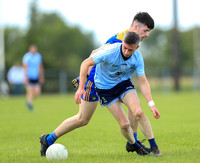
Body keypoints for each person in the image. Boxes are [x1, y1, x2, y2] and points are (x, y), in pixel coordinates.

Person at [39, 12, 162, 157]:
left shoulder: (130, 41)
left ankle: (133, 143)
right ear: (136, 27)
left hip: (118, 82)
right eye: (146, 30)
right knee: (83, 119)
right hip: (96, 81)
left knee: (135, 107)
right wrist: (84, 83)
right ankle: (48, 139)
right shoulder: (119, 41)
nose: (147, 34)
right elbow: (93, 54)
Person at [22, 45, 44, 111]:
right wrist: (25, 76)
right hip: (29, 77)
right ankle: (30, 105)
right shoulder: (27, 56)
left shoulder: (38, 56)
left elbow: (40, 67)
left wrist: (41, 76)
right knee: (30, 92)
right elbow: (25, 67)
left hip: (36, 76)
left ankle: (28, 101)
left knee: (37, 92)